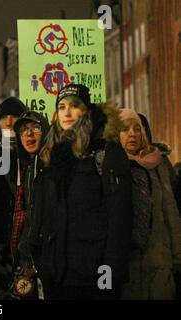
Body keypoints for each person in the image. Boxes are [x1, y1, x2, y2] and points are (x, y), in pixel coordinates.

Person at [37, 84, 133, 300]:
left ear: (86, 111)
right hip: (60, 275)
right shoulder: (52, 154)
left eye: (74, 106)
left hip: (94, 275)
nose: (67, 112)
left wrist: (108, 276)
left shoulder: (105, 151)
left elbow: (120, 218)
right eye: (61, 107)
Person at [118, 108, 181, 300]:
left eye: (137, 129)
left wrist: (178, 255)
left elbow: (171, 210)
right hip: (128, 260)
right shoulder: (111, 165)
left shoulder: (160, 164)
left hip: (160, 257)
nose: (132, 134)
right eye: (125, 129)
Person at [0, 97, 27, 299]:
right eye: (4, 118)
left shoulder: (32, 154)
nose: (9, 122)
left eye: (15, 117)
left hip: (24, 240)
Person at [10, 111, 50, 299]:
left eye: (36, 128)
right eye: (24, 130)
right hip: (27, 259)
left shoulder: (51, 167)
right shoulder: (26, 168)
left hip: (46, 260)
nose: (29, 134)